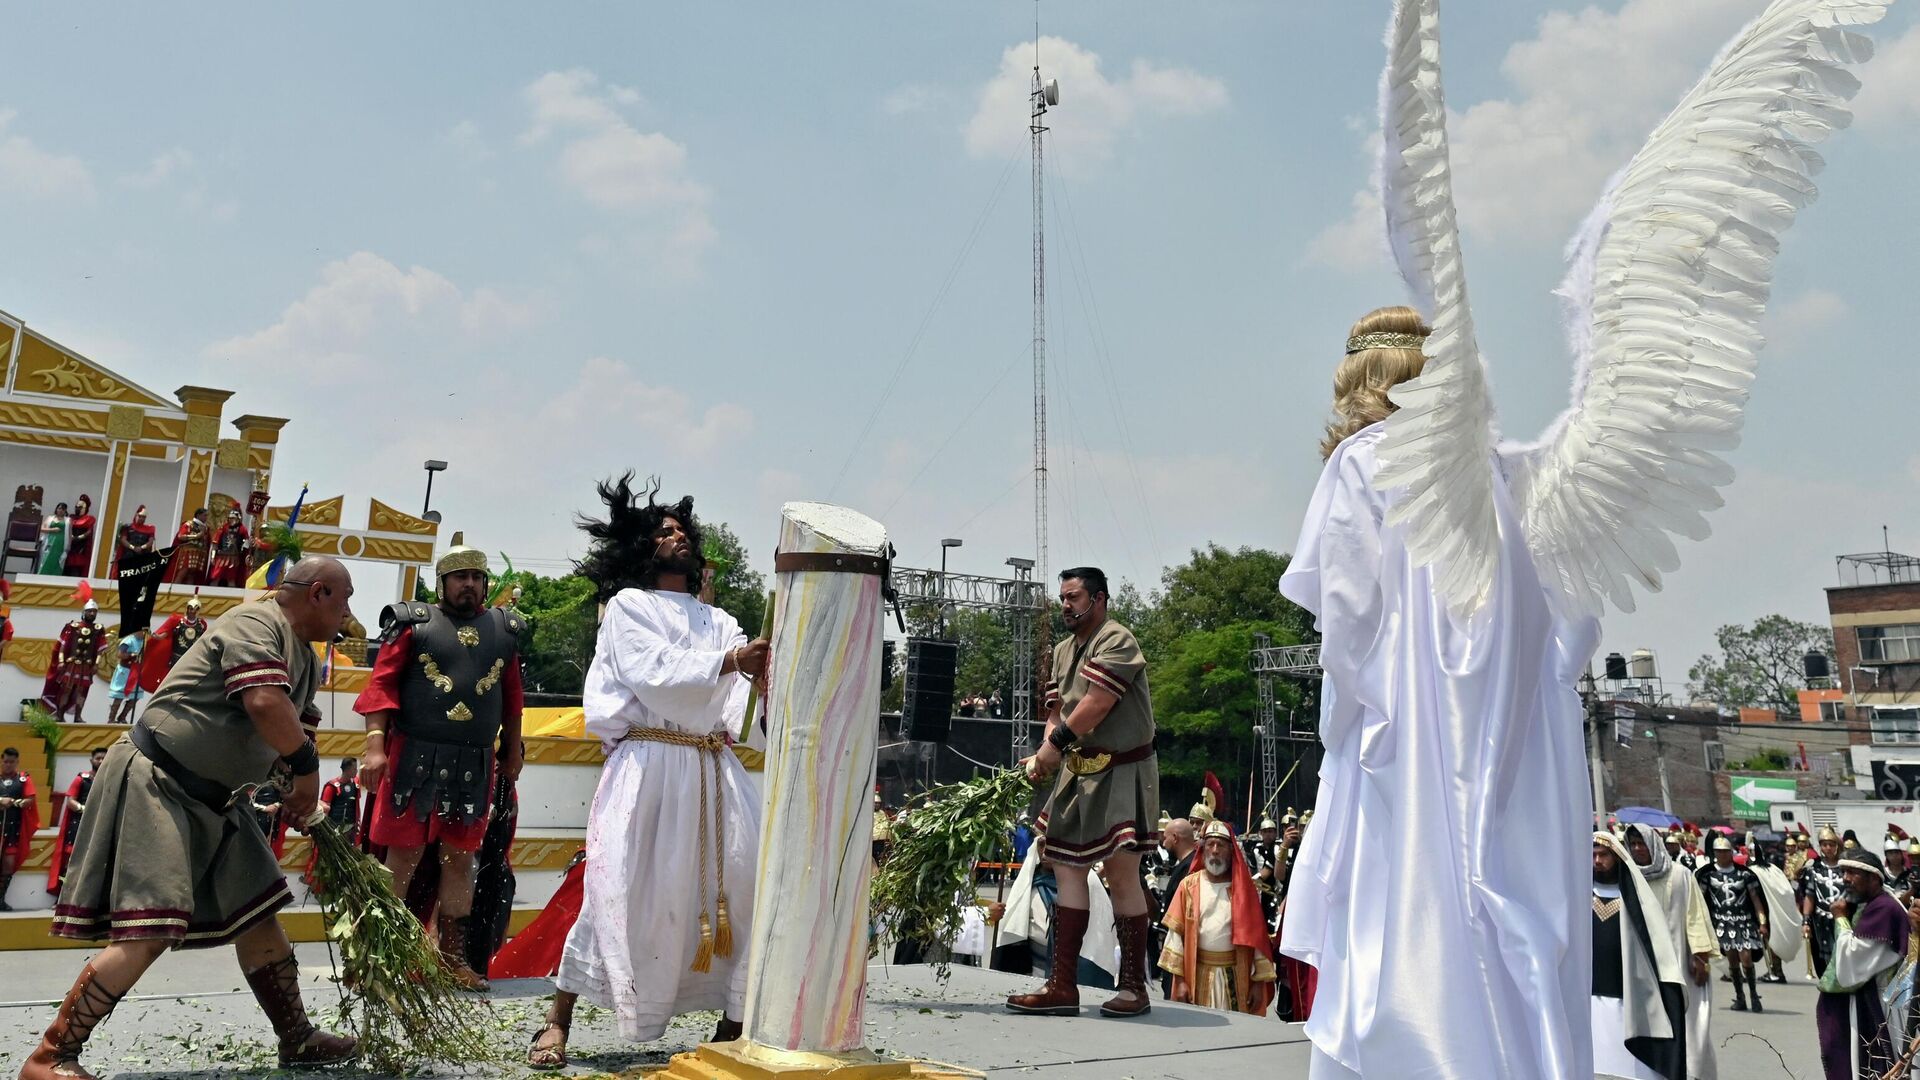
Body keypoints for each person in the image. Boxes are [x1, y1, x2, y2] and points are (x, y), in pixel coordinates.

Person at [23, 557, 359, 1080]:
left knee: (258, 911)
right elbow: (265, 701)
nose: (349, 613)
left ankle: (297, 1038)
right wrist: (306, 771)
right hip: (162, 780)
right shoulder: (256, 623)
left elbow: (293, 727)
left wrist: (292, 788)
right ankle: (50, 1056)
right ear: (318, 593)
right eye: (345, 598)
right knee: (149, 928)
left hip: (220, 799)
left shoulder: (307, 661)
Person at [527, 477, 769, 1068]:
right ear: (642, 548)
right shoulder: (629, 607)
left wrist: (764, 680)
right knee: (619, 889)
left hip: (715, 768)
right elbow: (653, 671)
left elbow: (740, 708)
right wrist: (734, 662)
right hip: (649, 766)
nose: (677, 537)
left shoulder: (722, 622)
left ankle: (731, 1024)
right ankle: (558, 1021)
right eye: (664, 532)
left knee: (740, 887)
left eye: (683, 530)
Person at [354, 545, 525, 992]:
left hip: (475, 762)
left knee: (459, 860)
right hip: (413, 758)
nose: (468, 583)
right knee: (402, 859)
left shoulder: (504, 631)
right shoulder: (413, 623)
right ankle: (381, 958)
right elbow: (381, 688)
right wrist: (375, 748)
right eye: (459, 576)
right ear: (442, 582)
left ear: (484, 582)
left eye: (475, 576)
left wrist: (512, 749)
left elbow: (512, 698)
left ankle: (452, 961)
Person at [1008, 566, 1160, 1019]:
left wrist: (1053, 749)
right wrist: (1043, 754)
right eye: (1063, 598)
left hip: (1122, 768)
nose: (1066, 606)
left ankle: (1134, 987)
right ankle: (1062, 986)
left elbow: (1096, 705)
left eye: (1073, 597)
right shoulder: (1061, 651)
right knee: (1066, 867)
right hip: (1077, 769)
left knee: (1121, 871)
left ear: (1098, 599)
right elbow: (1058, 715)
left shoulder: (1118, 640)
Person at [1624, 824, 1717, 1079]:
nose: (1637, 849)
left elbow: (1696, 915)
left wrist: (1700, 955)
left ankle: (1693, 1071)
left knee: (1690, 1020)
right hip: (1646, 962)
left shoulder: (1680, 875)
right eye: (1632, 844)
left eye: (1641, 843)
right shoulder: (1630, 878)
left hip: (1680, 960)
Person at [1592, 832, 1688, 1080]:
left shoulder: (1635, 895)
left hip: (1629, 991)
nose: (1597, 860)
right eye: (1592, 855)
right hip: (1589, 991)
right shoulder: (1579, 892)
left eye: (1603, 855)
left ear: (1616, 857)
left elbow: (1656, 943)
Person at [1158, 820, 1277, 1015]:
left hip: (1237, 975)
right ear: (1203, 849)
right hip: (1197, 974)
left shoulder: (1244, 890)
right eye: (1210, 844)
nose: (1214, 851)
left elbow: (1257, 940)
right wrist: (1178, 982)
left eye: (1220, 845)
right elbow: (1175, 937)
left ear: (1231, 850)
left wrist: (1258, 983)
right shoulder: (1188, 886)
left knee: (1236, 1035)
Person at [1818, 851, 1910, 1080]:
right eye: (1843, 873)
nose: (1845, 878)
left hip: (1880, 1007)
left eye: (1853, 873)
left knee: (1878, 1068)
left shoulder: (1883, 909)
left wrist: (1840, 918)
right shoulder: (1871, 903)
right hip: (1869, 1001)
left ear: (1874, 878)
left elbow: (1850, 964)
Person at [1696, 837, 1768, 1013]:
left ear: (1731, 853)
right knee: (1732, 960)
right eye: (1719, 852)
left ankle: (1753, 994)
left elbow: (1756, 900)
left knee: (1746, 958)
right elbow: (1700, 901)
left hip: (1743, 921)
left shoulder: (1745, 875)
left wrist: (1763, 922)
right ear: (1714, 854)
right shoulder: (1708, 876)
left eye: (1725, 851)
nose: (1722, 855)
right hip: (1722, 922)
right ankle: (1740, 997)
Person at [47, 748, 108, 896]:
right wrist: (84, 809)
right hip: (78, 826)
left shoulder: (110, 779)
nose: (100, 761)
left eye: (103, 758)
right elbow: (70, 801)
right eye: (97, 758)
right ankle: (63, 897)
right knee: (69, 864)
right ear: (91, 760)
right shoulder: (81, 779)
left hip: (99, 828)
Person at [40, 599, 107, 722]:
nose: (92, 614)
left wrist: (96, 664)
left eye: (94, 611)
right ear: (84, 612)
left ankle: (78, 716)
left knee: (82, 692)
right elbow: (63, 646)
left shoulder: (98, 629)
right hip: (71, 664)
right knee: (66, 689)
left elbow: (99, 650)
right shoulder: (73, 627)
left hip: (86, 666)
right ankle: (59, 715)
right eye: (90, 611)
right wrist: (61, 661)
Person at [1802, 826, 1847, 986]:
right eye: (1824, 844)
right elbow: (1809, 896)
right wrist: (1806, 921)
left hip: (1844, 919)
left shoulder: (1845, 867)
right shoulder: (1813, 869)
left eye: (1831, 844)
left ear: (1837, 845)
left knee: (1845, 957)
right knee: (1825, 961)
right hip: (1821, 921)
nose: (1828, 848)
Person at [0, 748, 42, 912]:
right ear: (2, 761)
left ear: (17, 762)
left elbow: (30, 800)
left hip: (13, 830)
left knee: (7, 866)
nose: (8, 764)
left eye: (12, 762)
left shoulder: (24, 779)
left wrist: (14, 803)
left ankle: (1, 899)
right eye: (5, 761)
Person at [141, 597, 208, 694]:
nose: (192, 611)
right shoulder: (178, 622)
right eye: (190, 608)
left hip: (192, 660)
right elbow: (163, 635)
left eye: (195, 609)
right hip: (175, 659)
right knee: (169, 683)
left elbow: (204, 640)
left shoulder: (201, 625)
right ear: (187, 609)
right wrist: (153, 635)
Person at [162, 509, 210, 586]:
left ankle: (188, 591)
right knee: (183, 571)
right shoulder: (189, 524)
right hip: (188, 551)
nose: (206, 517)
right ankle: (175, 589)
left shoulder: (205, 528)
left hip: (199, 553)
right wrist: (196, 536)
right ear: (198, 515)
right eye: (205, 515)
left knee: (192, 574)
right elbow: (180, 536)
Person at [105, 633, 145, 725]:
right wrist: (132, 655)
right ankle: (111, 719)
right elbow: (120, 654)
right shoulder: (128, 640)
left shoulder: (145, 641)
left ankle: (122, 717)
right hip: (125, 671)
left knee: (135, 697)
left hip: (138, 671)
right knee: (119, 695)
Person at [206, 508, 251, 588]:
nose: (231, 520)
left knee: (231, 579)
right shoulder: (223, 528)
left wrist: (245, 549)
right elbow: (215, 543)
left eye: (233, 518)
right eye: (230, 518)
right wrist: (213, 556)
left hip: (234, 558)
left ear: (238, 519)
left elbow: (246, 544)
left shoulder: (242, 529)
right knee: (216, 577)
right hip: (221, 558)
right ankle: (211, 593)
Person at [110, 507, 155, 577]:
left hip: (142, 554)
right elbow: (123, 540)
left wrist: (141, 548)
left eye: (144, 517)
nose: (141, 519)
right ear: (136, 515)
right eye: (140, 516)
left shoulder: (150, 529)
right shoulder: (128, 527)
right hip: (129, 553)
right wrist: (133, 547)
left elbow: (150, 542)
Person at [62, 495, 96, 578]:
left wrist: (77, 538)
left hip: (80, 545)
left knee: (76, 568)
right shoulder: (71, 517)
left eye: (80, 507)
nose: (78, 508)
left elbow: (88, 532)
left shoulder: (89, 519)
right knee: (66, 566)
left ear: (85, 508)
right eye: (76, 506)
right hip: (69, 544)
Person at [37, 502, 69, 576]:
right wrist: (52, 530)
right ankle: (41, 577)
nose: (61, 510)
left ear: (65, 511)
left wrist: (67, 549)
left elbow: (69, 534)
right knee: (46, 559)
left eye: (63, 509)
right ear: (56, 509)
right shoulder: (50, 518)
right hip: (49, 543)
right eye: (59, 508)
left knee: (58, 562)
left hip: (60, 545)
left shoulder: (68, 520)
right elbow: (41, 529)